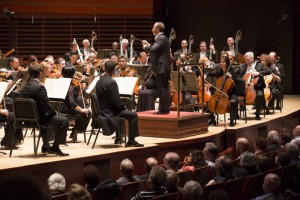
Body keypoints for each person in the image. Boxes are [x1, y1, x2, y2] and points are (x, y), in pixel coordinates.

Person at [21, 63, 69, 156]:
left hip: (27, 119)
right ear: (40, 74)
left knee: (51, 116)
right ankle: (55, 147)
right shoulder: (40, 87)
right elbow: (47, 106)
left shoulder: (25, 87)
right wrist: (54, 112)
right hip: (39, 119)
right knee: (64, 121)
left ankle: (46, 145)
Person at [95, 60, 143, 147]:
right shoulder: (112, 82)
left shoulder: (99, 81)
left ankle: (119, 138)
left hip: (102, 110)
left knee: (122, 110)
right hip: (110, 112)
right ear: (114, 70)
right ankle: (131, 141)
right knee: (133, 115)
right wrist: (123, 107)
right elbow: (117, 102)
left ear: (104, 68)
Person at [142, 22, 171, 114]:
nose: (152, 29)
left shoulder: (161, 38)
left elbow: (153, 49)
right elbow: (156, 48)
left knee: (162, 88)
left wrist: (146, 47)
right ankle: (165, 108)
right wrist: (149, 45)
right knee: (163, 88)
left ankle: (163, 109)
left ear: (158, 29)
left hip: (161, 68)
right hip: (162, 67)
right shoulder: (162, 38)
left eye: (153, 27)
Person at [205, 55, 239, 126]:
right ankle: (212, 119)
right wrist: (205, 74)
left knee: (233, 101)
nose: (221, 64)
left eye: (223, 62)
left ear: (227, 63)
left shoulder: (232, 72)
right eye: (220, 62)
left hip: (231, 93)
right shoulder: (219, 72)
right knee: (209, 102)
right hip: (220, 93)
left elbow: (238, 81)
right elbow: (210, 73)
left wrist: (232, 77)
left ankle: (232, 120)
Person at [239, 51, 271, 120]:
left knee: (259, 95)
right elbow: (236, 74)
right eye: (246, 60)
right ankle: (236, 115)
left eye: (248, 60)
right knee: (235, 95)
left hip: (257, 86)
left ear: (252, 59)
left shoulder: (259, 65)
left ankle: (257, 113)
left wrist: (258, 73)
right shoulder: (242, 66)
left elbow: (269, 71)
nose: (247, 61)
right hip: (245, 87)